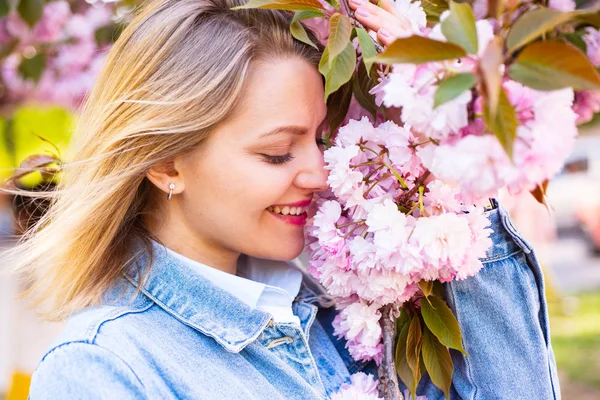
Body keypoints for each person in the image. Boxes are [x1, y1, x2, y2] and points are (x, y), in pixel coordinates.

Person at [2, 0, 560, 398]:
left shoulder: (345, 315)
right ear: (167, 163)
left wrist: (451, 146)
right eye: (276, 154)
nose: (318, 174)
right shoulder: (107, 370)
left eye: (318, 139)